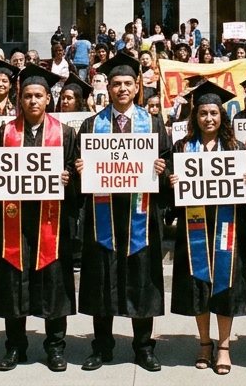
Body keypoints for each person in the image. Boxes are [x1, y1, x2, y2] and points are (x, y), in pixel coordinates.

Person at [74, 53, 172, 372]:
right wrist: (79, 169)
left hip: (141, 216)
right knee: (103, 279)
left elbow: (168, 164)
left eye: (128, 83)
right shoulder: (92, 125)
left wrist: (162, 167)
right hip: (103, 217)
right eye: (116, 83)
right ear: (108, 88)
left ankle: (143, 347)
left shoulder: (153, 123)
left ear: (138, 85)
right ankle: (102, 346)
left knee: (142, 280)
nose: (122, 88)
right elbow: (79, 171)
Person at [0, 65, 80, 372]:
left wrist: (71, 180)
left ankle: (55, 347)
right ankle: (15, 346)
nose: (33, 101)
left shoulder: (65, 134)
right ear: (20, 98)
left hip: (51, 223)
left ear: (47, 98)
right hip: (14, 221)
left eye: (38, 95)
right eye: (27, 95)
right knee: (15, 281)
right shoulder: (3, 134)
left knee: (53, 283)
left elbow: (78, 180)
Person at [167, 80, 246, 375]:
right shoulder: (182, 147)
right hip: (194, 227)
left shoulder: (236, 148)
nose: (208, 119)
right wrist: (172, 183)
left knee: (226, 284)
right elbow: (170, 196)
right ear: (195, 116)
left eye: (214, 113)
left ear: (222, 116)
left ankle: (224, 346)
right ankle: (205, 343)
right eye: (203, 113)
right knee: (197, 283)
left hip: (227, 225)